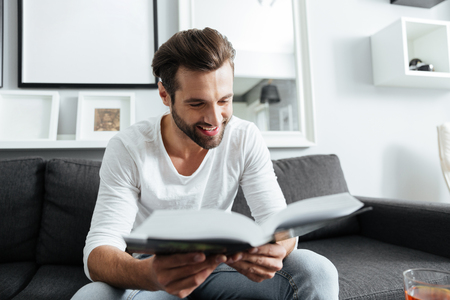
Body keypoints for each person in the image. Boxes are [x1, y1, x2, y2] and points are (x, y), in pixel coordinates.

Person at [72, 28, 339, 300]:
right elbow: (99, 249)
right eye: (197, 103)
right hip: (153, 272)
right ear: (165, 94)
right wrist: (150, 274)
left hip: (222, 267)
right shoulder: (128, 147)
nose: (215, 118)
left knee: (316, 270)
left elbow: (279, 224)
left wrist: (277, 250)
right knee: (92, 295)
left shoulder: (244, 138)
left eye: (224, 100)